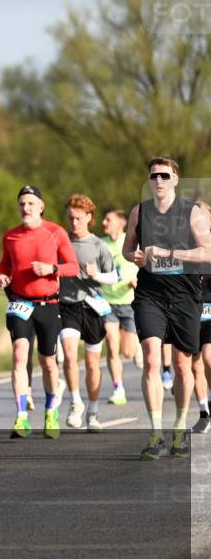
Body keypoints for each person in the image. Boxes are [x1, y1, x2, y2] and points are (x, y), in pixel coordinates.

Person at [122, 157, 211, 459]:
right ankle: (155, 433)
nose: (158, 180)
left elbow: (207, 251)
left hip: (185, 294)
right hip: (150, 294)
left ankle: (179, 428)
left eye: (164, 175)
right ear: (149, 181)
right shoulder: (139, 211)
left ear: (175, 179)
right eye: (153, 176)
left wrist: (168, 252)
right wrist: (133, 256)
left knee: (184, 365)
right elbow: (126, 248)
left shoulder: (192, 212)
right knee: (150, 359)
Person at [0, 185, 78, 439]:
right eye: (22, 203)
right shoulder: (10, 236)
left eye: (31, 203)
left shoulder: (56, 232)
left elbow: (73, 267)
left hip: (48, 304)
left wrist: (52, 269)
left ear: (41, 207)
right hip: (20, 304)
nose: (26, 208)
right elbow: (5, 265)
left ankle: (51, 412)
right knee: (20, 356)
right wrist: (1, 277)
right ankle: (21, 417)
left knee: (48, 362)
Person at [57, 195, 118, 433]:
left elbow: (113, 277)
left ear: (89, 218)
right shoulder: (61, 242)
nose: (74, 223)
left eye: (79, 218)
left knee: (93, 364)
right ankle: (75, 402)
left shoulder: (99, 245)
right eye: (70, 218)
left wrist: (96, 276)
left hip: (93, 307)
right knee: (70, 355)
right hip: (68, 305)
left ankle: (93, 411)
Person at [99, 209, 142, 406]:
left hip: (130, 302)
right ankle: (118, 388)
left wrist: (138, 280)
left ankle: (138, 347)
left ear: (120, 223)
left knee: (128, 352)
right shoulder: (101, 244)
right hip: (107, 301)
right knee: (111, 345)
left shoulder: (131, 241)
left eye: (108, 219)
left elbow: (146, 264)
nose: (103, 222)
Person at [193, 201, 211, 434]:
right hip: (188, 305)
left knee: (208, 358)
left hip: (210, 303)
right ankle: (203, 412)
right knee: (192, 363)